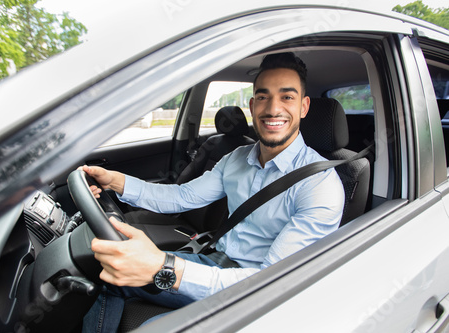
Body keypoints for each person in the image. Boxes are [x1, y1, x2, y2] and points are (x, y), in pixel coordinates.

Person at [82, 52, 345, 332]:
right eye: (264, 97)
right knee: (109, 274)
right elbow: (181, 197)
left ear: (304, 107)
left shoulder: (320, 185)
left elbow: (269, 282)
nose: (273, 108)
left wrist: (165, 265)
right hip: (213, 263)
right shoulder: (236, 158)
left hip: (253, 294)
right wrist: (116, 181)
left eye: (287, 97)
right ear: (253, 105)